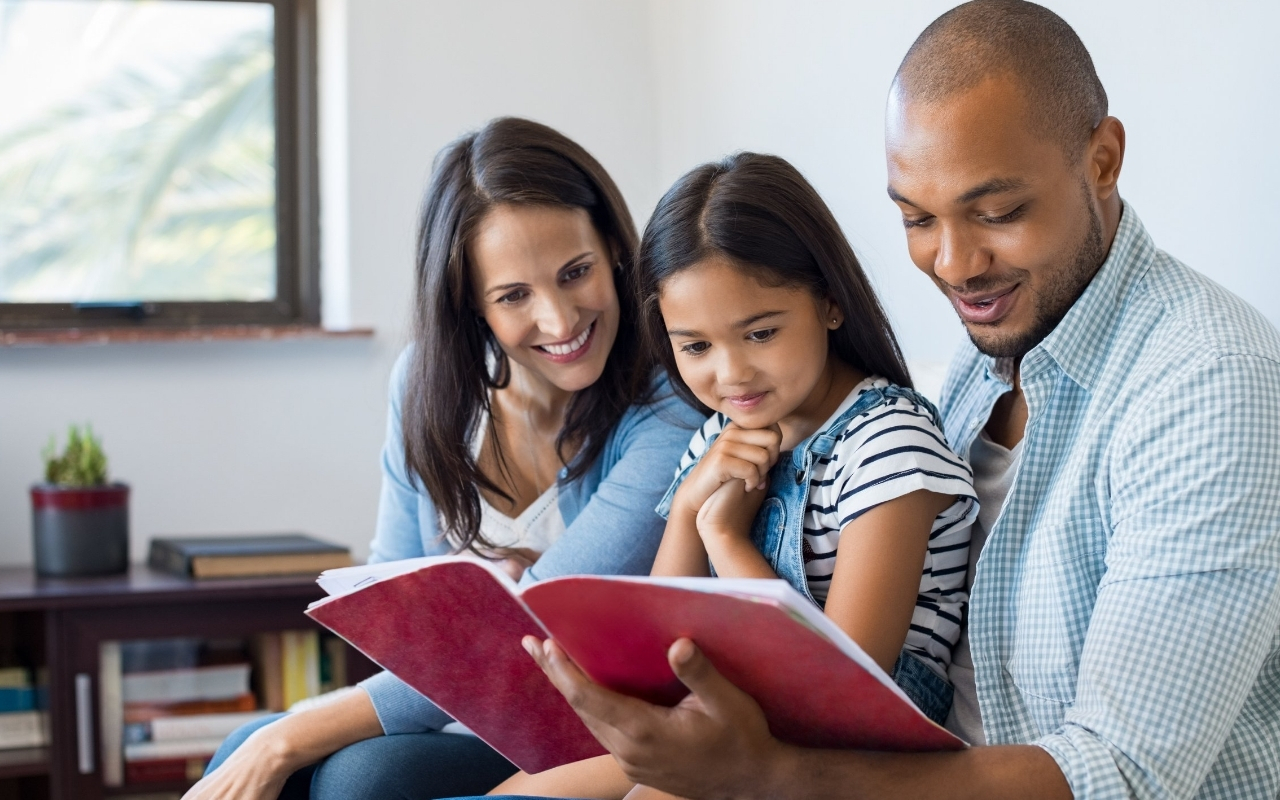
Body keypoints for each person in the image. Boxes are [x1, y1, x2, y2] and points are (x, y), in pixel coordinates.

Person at [502, 2, 1280, 798]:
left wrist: (768, 775)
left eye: (999, 212)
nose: (955, 264)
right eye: (915, 219)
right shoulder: (989, 355)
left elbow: (1121, 774)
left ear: (1104, 159)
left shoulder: (1209, 386)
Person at [185, 117, 701, 800]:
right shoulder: (425, 385)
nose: (559, 320)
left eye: (574, 273)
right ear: (470, 304)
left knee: (350, 779)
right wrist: (453, 609)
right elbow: (387, 609)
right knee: (237, 752)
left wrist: (288, 734)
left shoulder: (670, 409)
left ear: (612, 248)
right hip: (453, 715)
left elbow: (523, 646)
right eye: (514, 296)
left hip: (585, 737)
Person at [489, 153, 978, 800]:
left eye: (760, 333)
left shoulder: (886, 443)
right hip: (732, 711)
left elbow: (836, 686)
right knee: (520, 791)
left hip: (854, 751)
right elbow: (660, 642)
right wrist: (692, 500)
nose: (731, 374)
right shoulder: (719, 437)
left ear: (829, 303)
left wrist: (725, 537)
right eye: (695, 346)